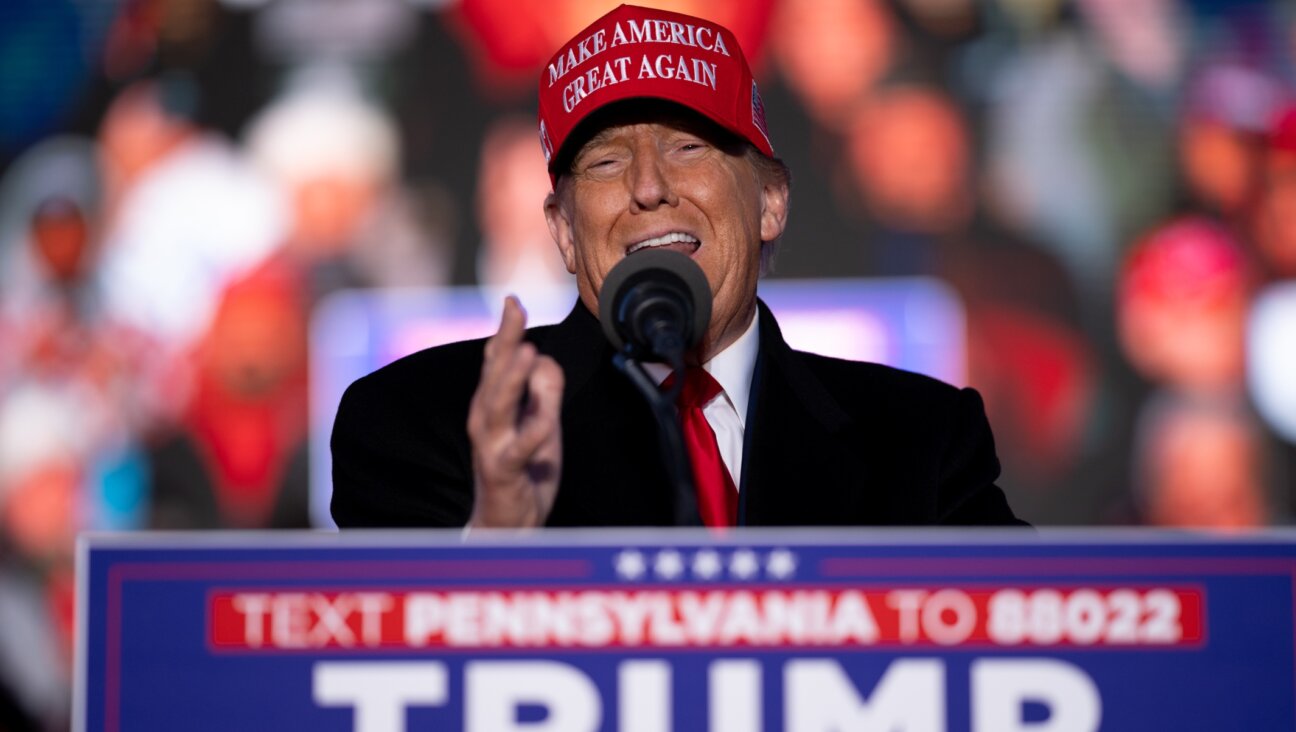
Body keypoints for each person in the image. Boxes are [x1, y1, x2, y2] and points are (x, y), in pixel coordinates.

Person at [331, 4, 1026, 529]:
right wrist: (499, 548)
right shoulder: (419, 423)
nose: (647, 186)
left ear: (771, 204)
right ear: (564, 233)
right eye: (604, 161)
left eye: (689, 149)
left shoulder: (923, 442)